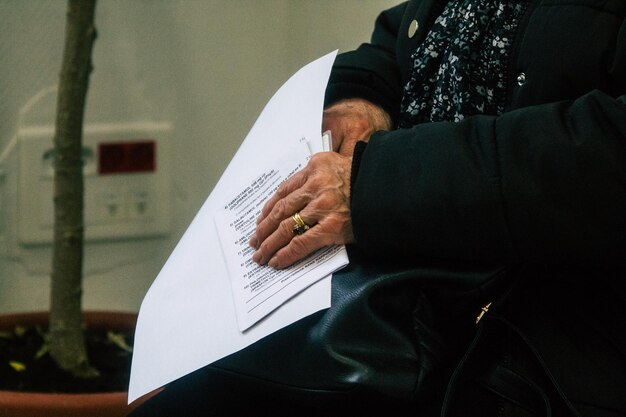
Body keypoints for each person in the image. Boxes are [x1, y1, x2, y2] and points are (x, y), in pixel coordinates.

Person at [130, 1, 626, 416]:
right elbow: (410, 33)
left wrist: (374, 185)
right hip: (410, 303)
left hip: (538, 358)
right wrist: (363, 97)